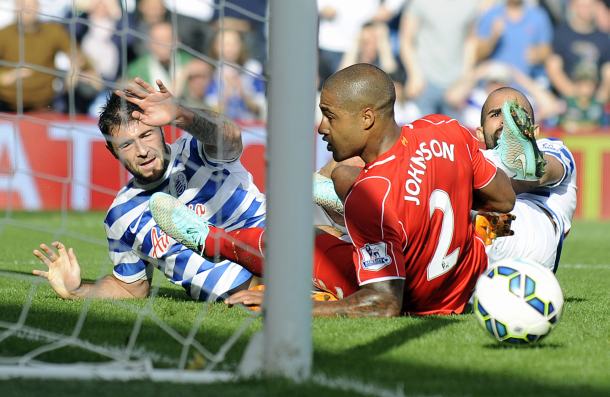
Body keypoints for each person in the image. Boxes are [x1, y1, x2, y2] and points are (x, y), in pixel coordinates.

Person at [150, 64, 517, 317]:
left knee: (296, 241)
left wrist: (290, 310)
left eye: (330, 114)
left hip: (416, 301)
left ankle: (211, 241)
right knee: (345, 178)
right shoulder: (445, 128)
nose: (321, 127)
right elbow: (504, 200)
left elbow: (383, 304)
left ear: (367, 118)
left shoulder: (374, 196)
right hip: (467, 282)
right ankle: (339, 201)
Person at [31, 77, 265, 301]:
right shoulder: (121, 216)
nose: (142, 150)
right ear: (113, 151)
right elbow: (131, 288)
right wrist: (78, 290)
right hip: (244, 296)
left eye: (146, 135)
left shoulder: (196, 151)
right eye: (126, 144)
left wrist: (182, 114)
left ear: (161, 130)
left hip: (284, 258)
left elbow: (230, 136)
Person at [477, 86, 577, 272]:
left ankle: (523, 156)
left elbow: (544, 172)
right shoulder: (477, 158)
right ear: (480, 133)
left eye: (516, 115)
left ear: (535, 131)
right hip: (484, 229)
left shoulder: (553, 148)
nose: (506, 120)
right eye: (496, 114)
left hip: (533, 229)